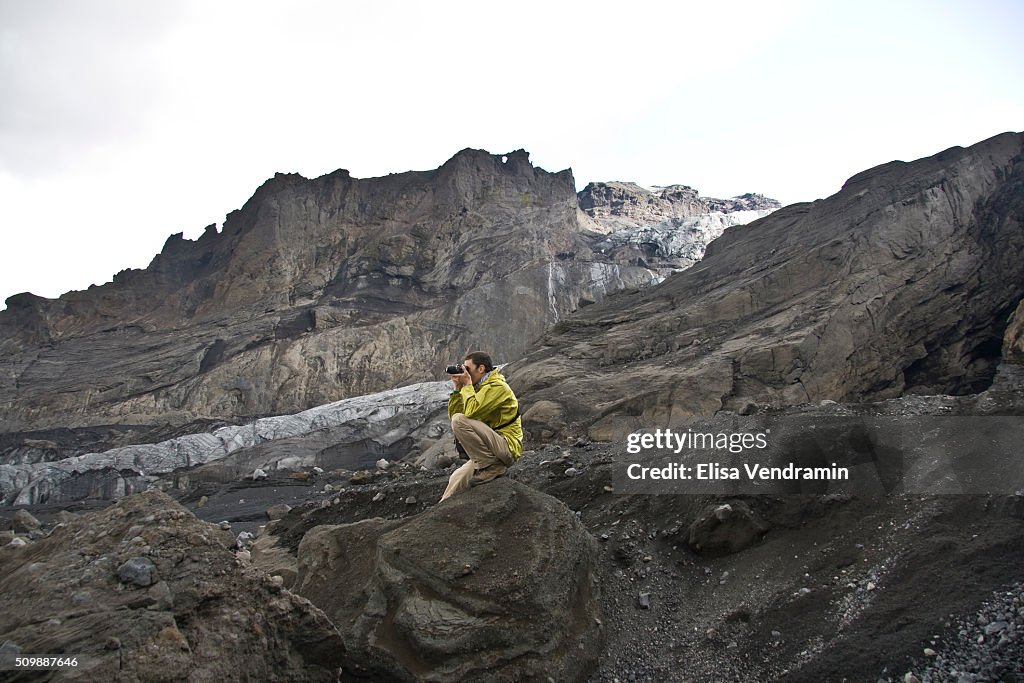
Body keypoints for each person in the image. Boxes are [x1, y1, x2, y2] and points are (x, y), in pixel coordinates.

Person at [439, 351, 523, 501]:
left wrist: (467, 385)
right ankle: (439, 512)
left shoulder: (497, 387)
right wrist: (457, 389)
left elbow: (469, 413)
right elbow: (455, 416)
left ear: (481, 369)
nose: (465, 372)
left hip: (506, 446)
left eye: (467, 369)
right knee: (457, 478)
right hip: (492, 447)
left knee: (460, 420)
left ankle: (493, 467)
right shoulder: (479, 387)